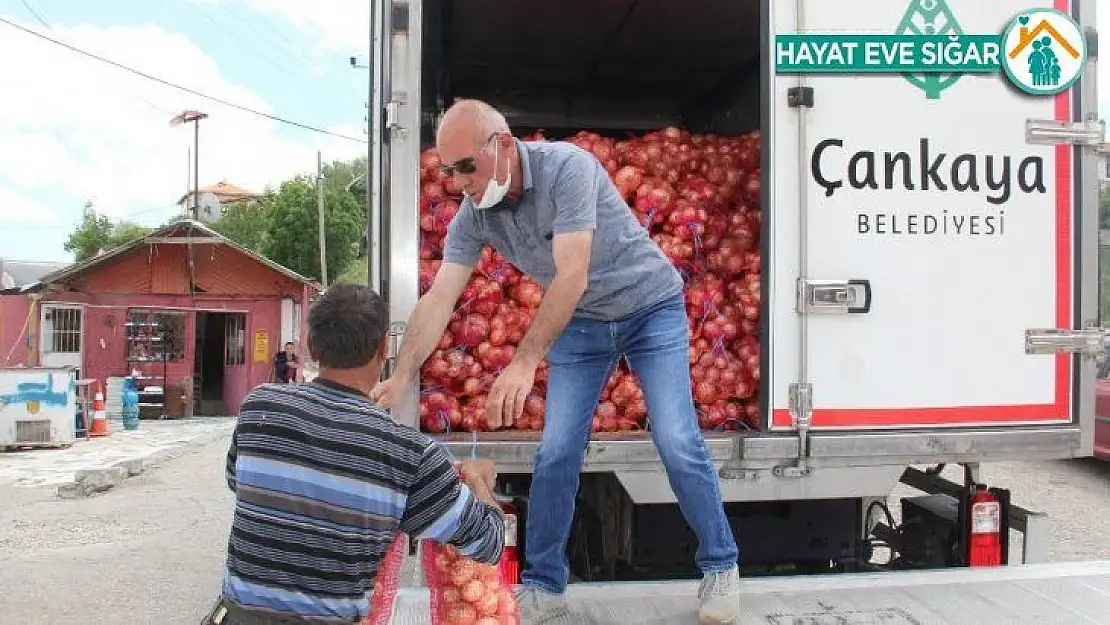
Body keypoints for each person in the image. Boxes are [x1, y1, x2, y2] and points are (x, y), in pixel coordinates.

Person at [369, 99, 741, 624]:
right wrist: (403, 372)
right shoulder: (474, 215)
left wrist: (524, 362)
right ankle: (545, 587)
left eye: (465, 168)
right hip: (582, 325)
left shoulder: (568, 168)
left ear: (501, 146)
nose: (457, 183)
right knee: (557, 452)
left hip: (649, 307)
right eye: (448, 172)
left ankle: (721, 566)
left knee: (678, 439)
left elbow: (572, 275)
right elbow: (440, 297)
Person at [208, 284, 505, 624]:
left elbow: (237, 480)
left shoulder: (260, 407)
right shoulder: (410, 454)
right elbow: (489, 542)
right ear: (383, 349)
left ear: (311, 346)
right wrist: (480, 481)